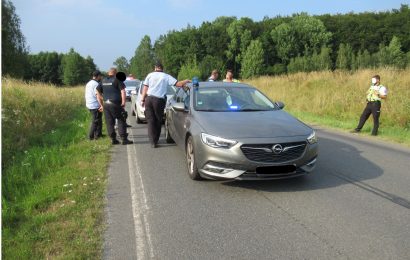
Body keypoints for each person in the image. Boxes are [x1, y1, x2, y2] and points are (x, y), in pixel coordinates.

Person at [141, 62, 191, 148]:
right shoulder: (165, 76)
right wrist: (186, 80)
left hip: (148, 99)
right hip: (158, 100)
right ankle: (155, 140)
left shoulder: (150, 75)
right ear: (162, 68)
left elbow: (145, 88)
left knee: (150, 120)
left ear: (155, 67)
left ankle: (152, 141)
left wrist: (142, 99)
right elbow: (178, 84)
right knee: (158, 120)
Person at [96, 68, 133, 145]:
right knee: (121, 119)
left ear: (108, 73)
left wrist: (102, 101)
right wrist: (123, 102)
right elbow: (123, 91)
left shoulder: (103, 80)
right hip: (116, 103)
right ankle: (124, 139)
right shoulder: (117, 80)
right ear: (115, 73)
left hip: (106, 104)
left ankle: (113, 139)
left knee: (109, 122)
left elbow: (97, 92)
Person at [85, 70, 104, 140]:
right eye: (100, 76)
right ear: (98, 76)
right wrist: (102, 104)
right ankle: (90, 136)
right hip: (94, 104)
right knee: (95, 121)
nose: (101, 77)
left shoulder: (89, 83)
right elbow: (98, 96)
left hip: (89, 104)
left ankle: (98, 134)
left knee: (98, 119)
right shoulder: (96, 84)